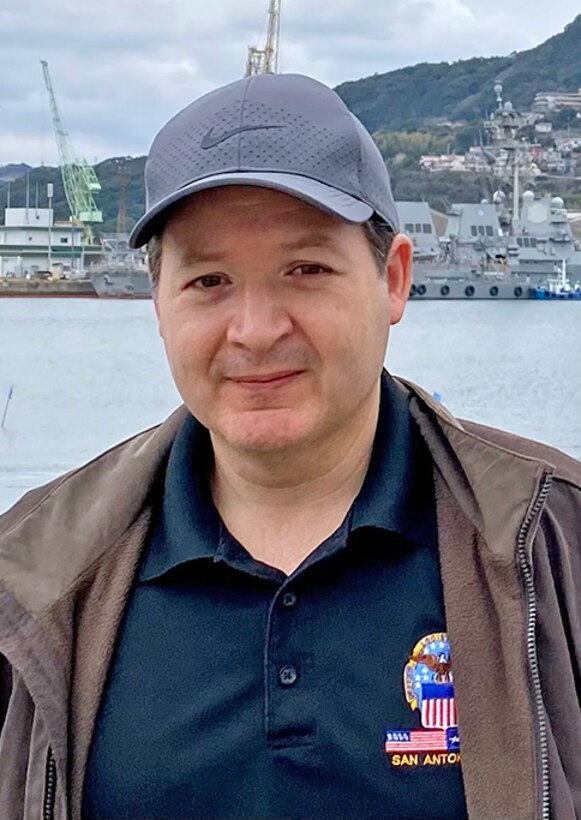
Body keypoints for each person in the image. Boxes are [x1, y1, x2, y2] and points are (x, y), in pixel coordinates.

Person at [0, 73, 580, 820]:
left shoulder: (556, 545)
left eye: (304, 270)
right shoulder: (33, 573)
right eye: (209, 280)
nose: (255, 329)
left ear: (393, 280)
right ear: (160, 306)